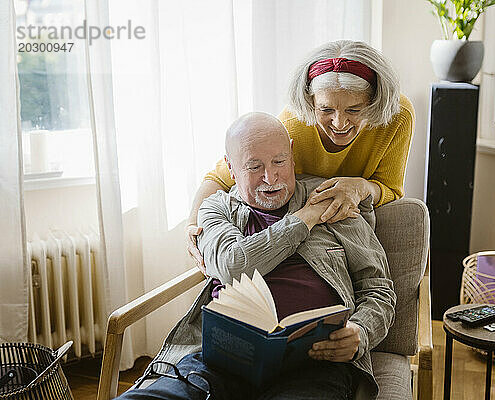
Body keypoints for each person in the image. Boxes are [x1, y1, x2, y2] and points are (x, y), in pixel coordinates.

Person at [117, 112, 396, 400]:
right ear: (231, 168)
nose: (270, 177)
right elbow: (232, 266)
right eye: (254, 166)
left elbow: (378, 288)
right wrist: (305, 219)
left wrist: (361, 331)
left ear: (292, 153)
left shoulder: (331, 199)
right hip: (220, 361)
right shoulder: (216, 207)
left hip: (314, 363)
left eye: (279, 161)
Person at [187, 40, 415, 270]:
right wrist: (193, 224)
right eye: (326, 110)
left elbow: (391, 188)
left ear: (374, 101)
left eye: (354, 110)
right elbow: (221, 177)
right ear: (310, 101)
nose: (339, 123)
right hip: (298, 231)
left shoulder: (397, 116)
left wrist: (361, 187)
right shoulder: (293, 123)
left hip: (347, 226)